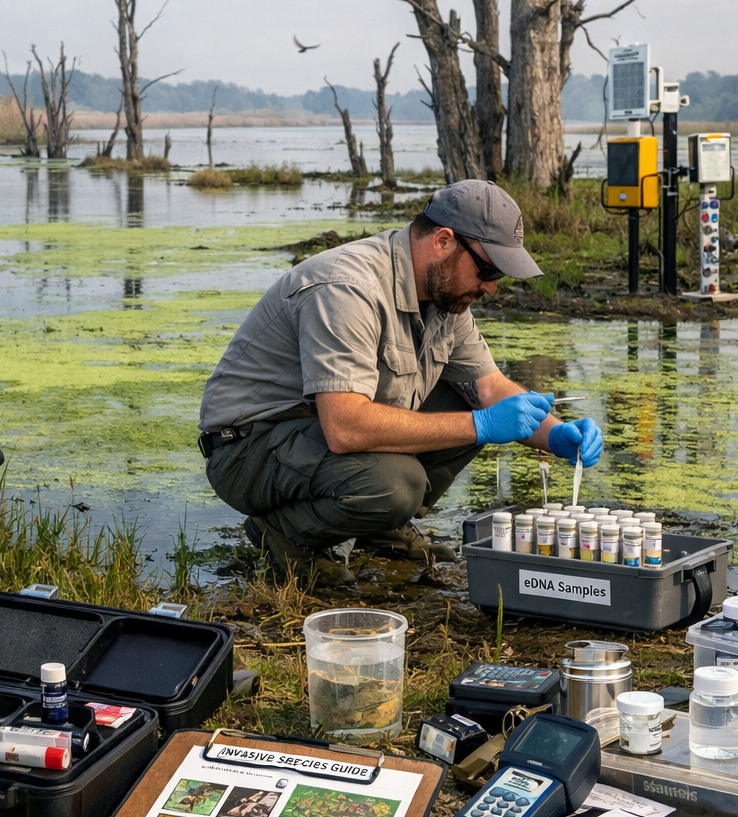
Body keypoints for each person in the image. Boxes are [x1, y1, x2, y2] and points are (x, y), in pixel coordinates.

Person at [197, 179, 604, 586]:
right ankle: (285, 533)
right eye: (488, 269)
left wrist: (554, 434)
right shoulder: (347, 288)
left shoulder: (446, 298)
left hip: (314, 438)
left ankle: (379, 529)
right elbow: (344, 427)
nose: (491, 288)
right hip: (249, 448)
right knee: (397, 483)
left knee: (471, 405)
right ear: (444, 241)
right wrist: (482, 425)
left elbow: (490, 389)